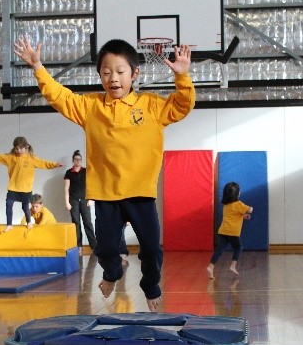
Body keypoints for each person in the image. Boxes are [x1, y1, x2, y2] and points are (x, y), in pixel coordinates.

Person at [14, 36, 195, 311]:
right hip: (106, 195)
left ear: (134, 73)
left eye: (120, 72)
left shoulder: (151, 106)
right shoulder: (91, 108)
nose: (113, 78)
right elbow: (59, 97)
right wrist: (38, 67)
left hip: (141, 194)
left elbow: (183, 106)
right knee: (106, 249)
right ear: (99, 75)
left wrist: (182, 76)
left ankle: (151, 285)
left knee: (152, 249)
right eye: (106, 72)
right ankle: (111, 274)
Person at [0, 136, 62, 232]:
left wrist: (55, 164)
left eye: (21, 148)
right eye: (16, 148)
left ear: (26, 147)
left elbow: (44, 163)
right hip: (13, 187)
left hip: (26, 189)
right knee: (9, 204)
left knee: (25, 207)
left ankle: (29, 222)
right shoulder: (11, 158)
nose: (19, 150)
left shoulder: (32, 159)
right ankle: (9, 225)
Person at [207, 182, 253, 279]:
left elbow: (232, 216)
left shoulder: (226, 205)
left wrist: (243, 216)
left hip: (223, 231)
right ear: (236, 194)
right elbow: (249, 210)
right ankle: (232, 266)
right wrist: (251, 208)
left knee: (219, 249)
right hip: (232, 232)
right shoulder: (238, 204)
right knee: (238, 247)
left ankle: (211, 266)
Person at [63, 150, 97, 252]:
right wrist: (67, 202)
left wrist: (91, 199)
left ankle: (94, 247)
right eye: (76, 159)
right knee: (76, 223)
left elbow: (92, 186)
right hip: (73, 200)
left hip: (85, 200)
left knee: (88, 222)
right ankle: (79, 246)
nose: (78, 161)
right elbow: (66, 188)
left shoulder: (86, 171)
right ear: (73, 161)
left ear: (81, 161)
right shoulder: (69, 172)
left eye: (79, 160)